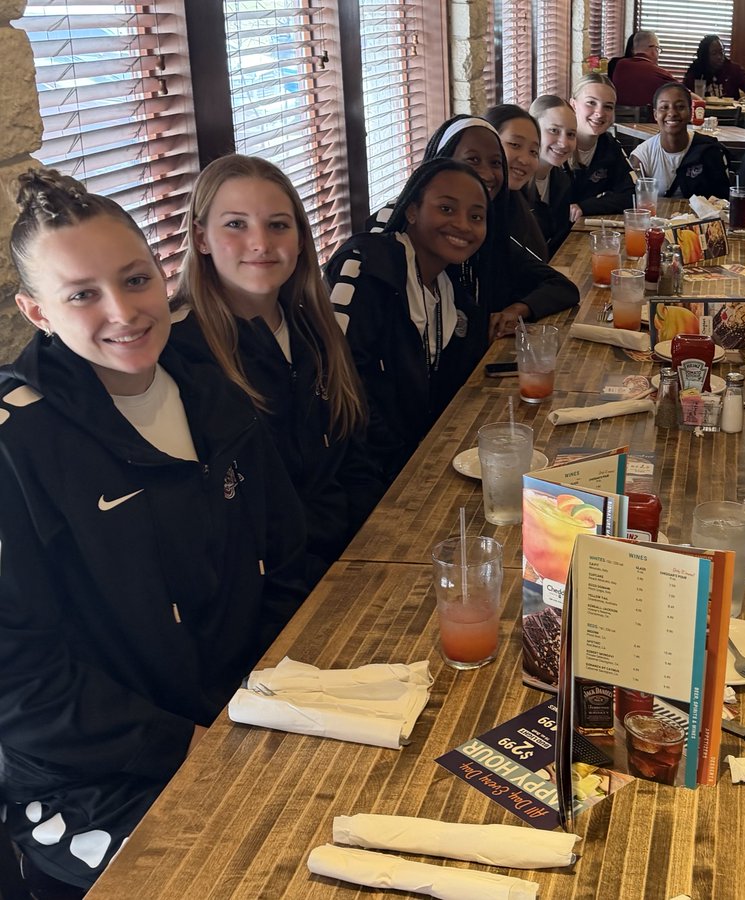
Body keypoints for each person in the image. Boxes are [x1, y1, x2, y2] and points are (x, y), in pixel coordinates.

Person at [0, 170, 306, 895]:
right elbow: (20, 687)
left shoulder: (212, 382)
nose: (123, 312)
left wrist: (278, 696)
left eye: (135, 279)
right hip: (96, 779)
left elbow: (284, 552)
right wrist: (192, 746)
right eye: (82, 295)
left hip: (239, 714)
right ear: (37, 313)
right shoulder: (18, 445)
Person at [172, 154, 376, 587]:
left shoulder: (315, 329)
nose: (260, 243)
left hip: (348, 567)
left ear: (301, 240)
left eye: (278, 225)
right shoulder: (180, 353)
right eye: (236, 224)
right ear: (201, 238)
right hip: (264, 596)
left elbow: (353, 457)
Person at [326, 159, 491, 482]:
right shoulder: (366, 266)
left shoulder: (450, 288)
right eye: (446, 209)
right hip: (358, 475)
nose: (463, 225)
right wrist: (401, 464)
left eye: (476, 217)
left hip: (417, 462)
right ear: (412, 211)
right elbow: (340, 384)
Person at [366, 116, 579, 339]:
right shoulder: (385, 239)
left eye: (496, 163)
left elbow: (561, 287)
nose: (486, 174)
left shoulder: (486, 232)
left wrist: (518, 309)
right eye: (473, 160)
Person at [630, 82, 730, 199]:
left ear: (690, 112)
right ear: (655, 115)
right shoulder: (641, 157)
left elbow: (723, 200)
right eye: (664, 107)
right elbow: (636, 201)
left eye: (680, 107)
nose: (672, 113)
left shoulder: (709, 150)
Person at [483, 104, 549, 261]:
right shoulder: (470, 211)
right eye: (514, 145)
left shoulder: (518, 204)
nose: (525, 160)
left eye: (533, 151)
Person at [567, 73, 636, 221]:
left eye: (608, 107)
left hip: (587, 229)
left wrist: (584, 207)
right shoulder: (558, 147)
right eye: (591, 103)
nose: (599, 113)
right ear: (573, 105)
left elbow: (632, 195)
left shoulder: (610, 145)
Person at [528, 95, 577, 258]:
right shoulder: (515, 184)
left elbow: (558, 241)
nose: (564, 143)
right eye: (554, 130)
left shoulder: (562, 181)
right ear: (532, 130)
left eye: (571, 134)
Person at [611, 30, 678, 107]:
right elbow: (683, 93)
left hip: (619, 114)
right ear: (654, 48)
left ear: (633, 49)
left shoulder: (620, 65)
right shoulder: (659, 73)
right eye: (658, 49)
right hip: (648, 114)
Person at [683, 35, 745, 99]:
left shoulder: (733, 69)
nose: (719, 57)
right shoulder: (695, 71)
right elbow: (684, 94)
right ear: (705, 56)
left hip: (730, 109)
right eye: (714, 53)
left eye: (721, 52)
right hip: (702, 108)